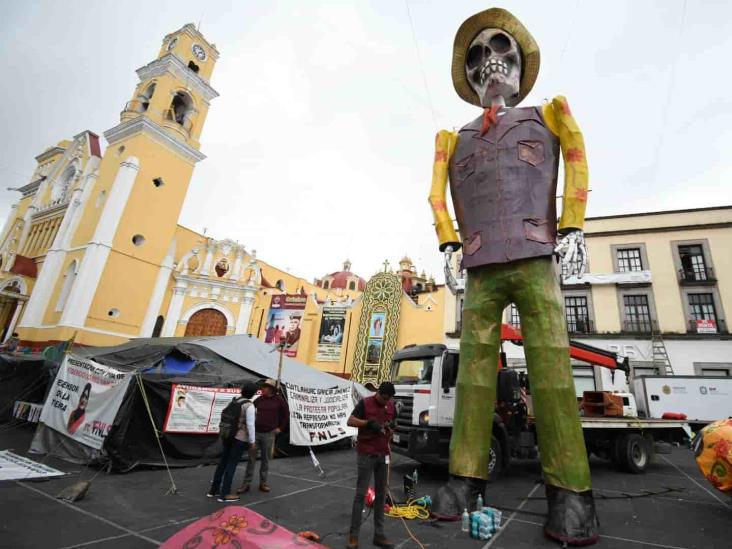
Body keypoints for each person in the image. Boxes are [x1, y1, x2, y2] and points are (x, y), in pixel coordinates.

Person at [427, 8, 598, 544]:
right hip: (480, 265)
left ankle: (570, 491)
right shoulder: (451, 139)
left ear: (521, 61)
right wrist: (448, 240)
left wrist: (572, 225)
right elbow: (436, 194)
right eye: (476, 57)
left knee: (552, 370)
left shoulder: (549, 114)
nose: (488, 63)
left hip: (535, 254)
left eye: (498, 49)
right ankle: (464, 478)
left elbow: (576, 158)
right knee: (473, 375)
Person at [346, 381, 396, 549]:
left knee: (382, 496)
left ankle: (379, 535)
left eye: (388, 399)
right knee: (360, 495)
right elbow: (350, 421)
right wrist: (368, 423)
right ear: (378, 393)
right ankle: (353, 537)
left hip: (383, 454)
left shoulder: (391, 405)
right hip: (366, 454)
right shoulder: (365, 403)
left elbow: (390, 429)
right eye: (383, 398)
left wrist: (390, 430)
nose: (385, 401)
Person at [208, 381, 257, 502]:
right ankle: (225, 494)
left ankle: (213, 490)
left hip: (228, 435)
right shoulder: (249, 406)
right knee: (232, 464)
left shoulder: (235, 400)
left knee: (223, 463)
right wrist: (252, 442)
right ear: (253, 393)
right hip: (239, 438)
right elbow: (250, 425)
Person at [239, 378, 289, 494]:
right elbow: (250, 411)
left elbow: (286, 415)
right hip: (256, 433)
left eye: (265, 387)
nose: (262, 389)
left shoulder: (279, 401)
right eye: (262, 387)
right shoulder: (259, 400)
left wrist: (280, 428)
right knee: (251, 459)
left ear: (271, 389)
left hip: (269, 434)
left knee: (265, 460)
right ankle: (246, 483)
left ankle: (263, 482)